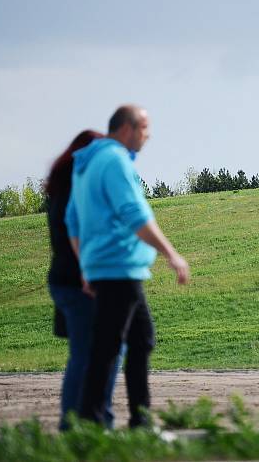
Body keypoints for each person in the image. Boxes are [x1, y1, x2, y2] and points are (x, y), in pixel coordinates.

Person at [66, 104, 190, 428]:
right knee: (112, 346)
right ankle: (101, 424)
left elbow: (72, 222)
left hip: (106, 267)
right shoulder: (115, 161)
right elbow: (135, 215)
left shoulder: (86, 165)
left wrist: (85, 266)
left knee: (136, 340)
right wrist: (171, 254)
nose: (148, 136)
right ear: (127, 129)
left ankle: (135, 421)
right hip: (119, 266)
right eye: (145, 129)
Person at [45, 129, 124, 430]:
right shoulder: (75, 192)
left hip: (67, 281)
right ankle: (85, 424)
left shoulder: (62, 189)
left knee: (92, 352)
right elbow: (78, 240)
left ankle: (88, 422)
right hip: (81, 282)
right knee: (95, 353)